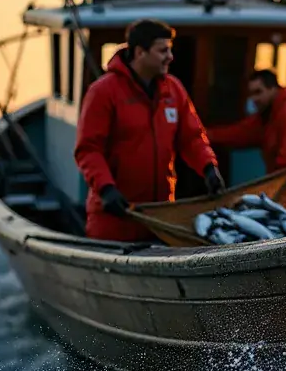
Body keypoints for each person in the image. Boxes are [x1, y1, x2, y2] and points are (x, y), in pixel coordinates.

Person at [75, 18, 225, 241]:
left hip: (161, 218)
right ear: (140, 52)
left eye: (170, 50)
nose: (170, 57)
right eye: (163, 50)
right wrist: (106, 189)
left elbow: (192, 138)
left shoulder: (173, 90)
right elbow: (88, 150)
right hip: (114, 219)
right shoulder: (103, 92)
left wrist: (208, 168)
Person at [208, 69, 286, 174]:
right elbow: (239, 133)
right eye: (251, 94)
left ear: (273, 89)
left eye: (258, 92)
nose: (254, 99)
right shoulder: (268, 116)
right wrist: (203, 136)